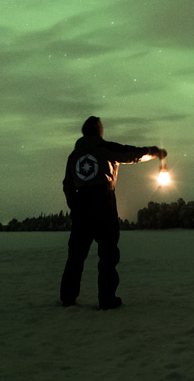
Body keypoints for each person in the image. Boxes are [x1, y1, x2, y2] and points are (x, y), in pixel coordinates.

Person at [60, 115, 166, 309]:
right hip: (103, 204)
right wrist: (154, 152)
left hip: (82, 207)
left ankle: (68, 297)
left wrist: (75, 205)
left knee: (76, 255)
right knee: (108, 254)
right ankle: (107, 299)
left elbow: (67, 185)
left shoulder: (74, 156)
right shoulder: (105, 148)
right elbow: (131, 154)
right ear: (98, 131)